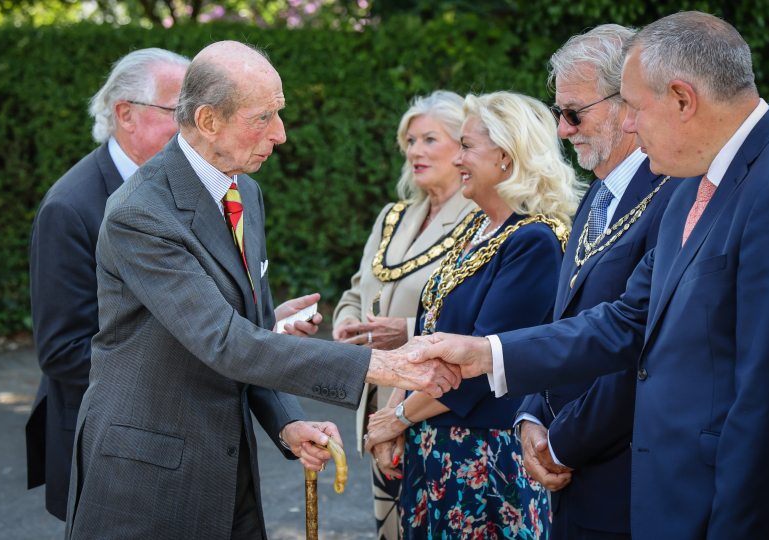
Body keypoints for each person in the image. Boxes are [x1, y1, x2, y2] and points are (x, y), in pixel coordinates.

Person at [412, 12, 769, 540]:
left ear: (683, 99)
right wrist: (489, 355)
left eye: (634, 108)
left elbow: (768, 391)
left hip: (716, 506)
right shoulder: (690, 182)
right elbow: (626, 320)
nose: (629, 125)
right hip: (659, 499)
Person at [65, 41, 461, 540]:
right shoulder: (141, 213)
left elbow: (249, 331)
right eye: (263, 117)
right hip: (149, 478)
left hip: (228, 466)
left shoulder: (243, 189)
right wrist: (381, 364)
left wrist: (286, 421)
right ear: (208, 121)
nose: (281, 134)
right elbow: (226, 342)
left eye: (280, 113)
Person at [365, 91, 584, 539]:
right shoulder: (475, 227)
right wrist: (392, 418)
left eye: (466, 146)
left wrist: (399, 418)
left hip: (484, 456)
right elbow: (429, 333)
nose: (457, 158)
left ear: (505, 156)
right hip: (434, 444)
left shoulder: (534, 242)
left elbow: (484, 364)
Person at [514, 24, 691, 540]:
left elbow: (642, 351)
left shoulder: (674, 193)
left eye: (574, 112)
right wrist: (530, 415)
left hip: (626, 481)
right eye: (557, 114)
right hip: (572, 475)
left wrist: (562, 442)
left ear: (627, 105)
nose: (563, 130)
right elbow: (561, 316)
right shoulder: (600, 189)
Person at [24, 48, 190, 521]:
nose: (197, 126)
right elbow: (62, 351)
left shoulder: (183, 185)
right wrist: (197, 359)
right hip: (109, 451)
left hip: (182, 444)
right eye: (179, 112)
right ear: (126, 114)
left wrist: (252, 326)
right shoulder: (70, 208)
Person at [332, 90, 476, 540]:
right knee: (388, 529)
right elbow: (358, 289)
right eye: (410, 141)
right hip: (378, 404)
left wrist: (407, 331)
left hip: (435, 407)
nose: (415, 151)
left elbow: (479, 321)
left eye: (430, 139)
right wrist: (345, 321)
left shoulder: (482, 219)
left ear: (463, 146)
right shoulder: (392, 217)